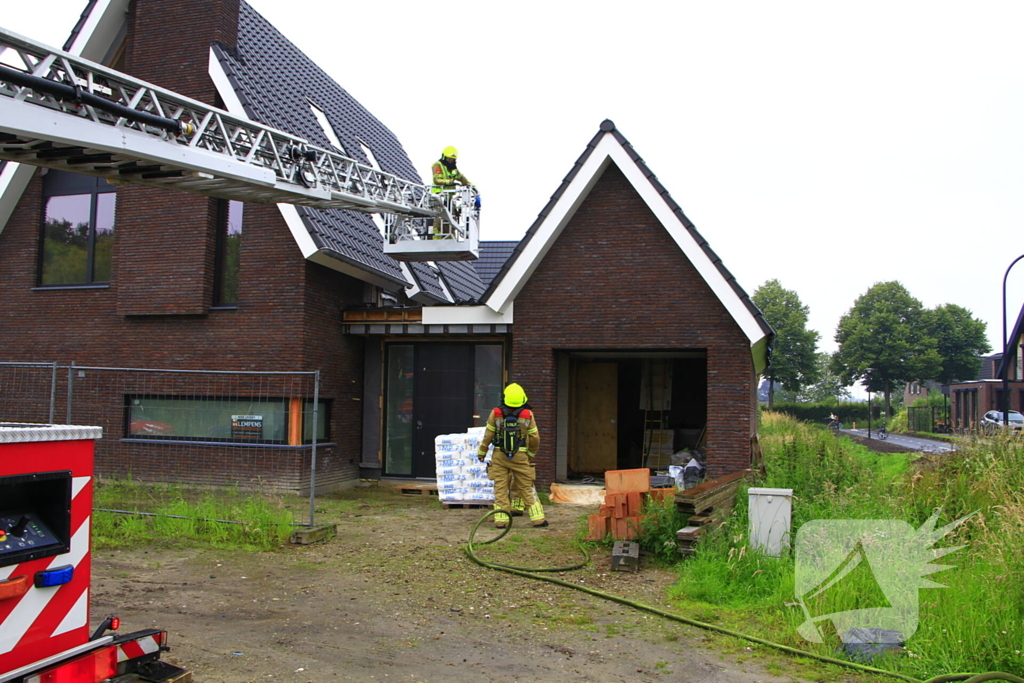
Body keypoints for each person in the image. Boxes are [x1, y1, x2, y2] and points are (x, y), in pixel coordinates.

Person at [477, 383, 548, 529]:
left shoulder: (495, 413)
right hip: (520, 456)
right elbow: (534, 437)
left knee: (500, 488)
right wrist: (530, 454)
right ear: (522, 398)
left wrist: (482, 452)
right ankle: (538, 519)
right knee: (526, 486)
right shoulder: (527, 415)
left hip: (499, 456)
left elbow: (488, 434)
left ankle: (501, 520)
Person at [429, 146, 473, 239]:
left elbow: (460, 177)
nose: (450, 160)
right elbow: (437, 180)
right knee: (439, 217)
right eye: (449, 158)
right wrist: (450, 182)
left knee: (452, 218)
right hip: (438, 197)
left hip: (448, 197)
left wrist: (470, 185)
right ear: (445, 157)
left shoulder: (452, 168)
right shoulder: (437, 165)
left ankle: (451, 238)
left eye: (453, 159)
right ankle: (436, 237)